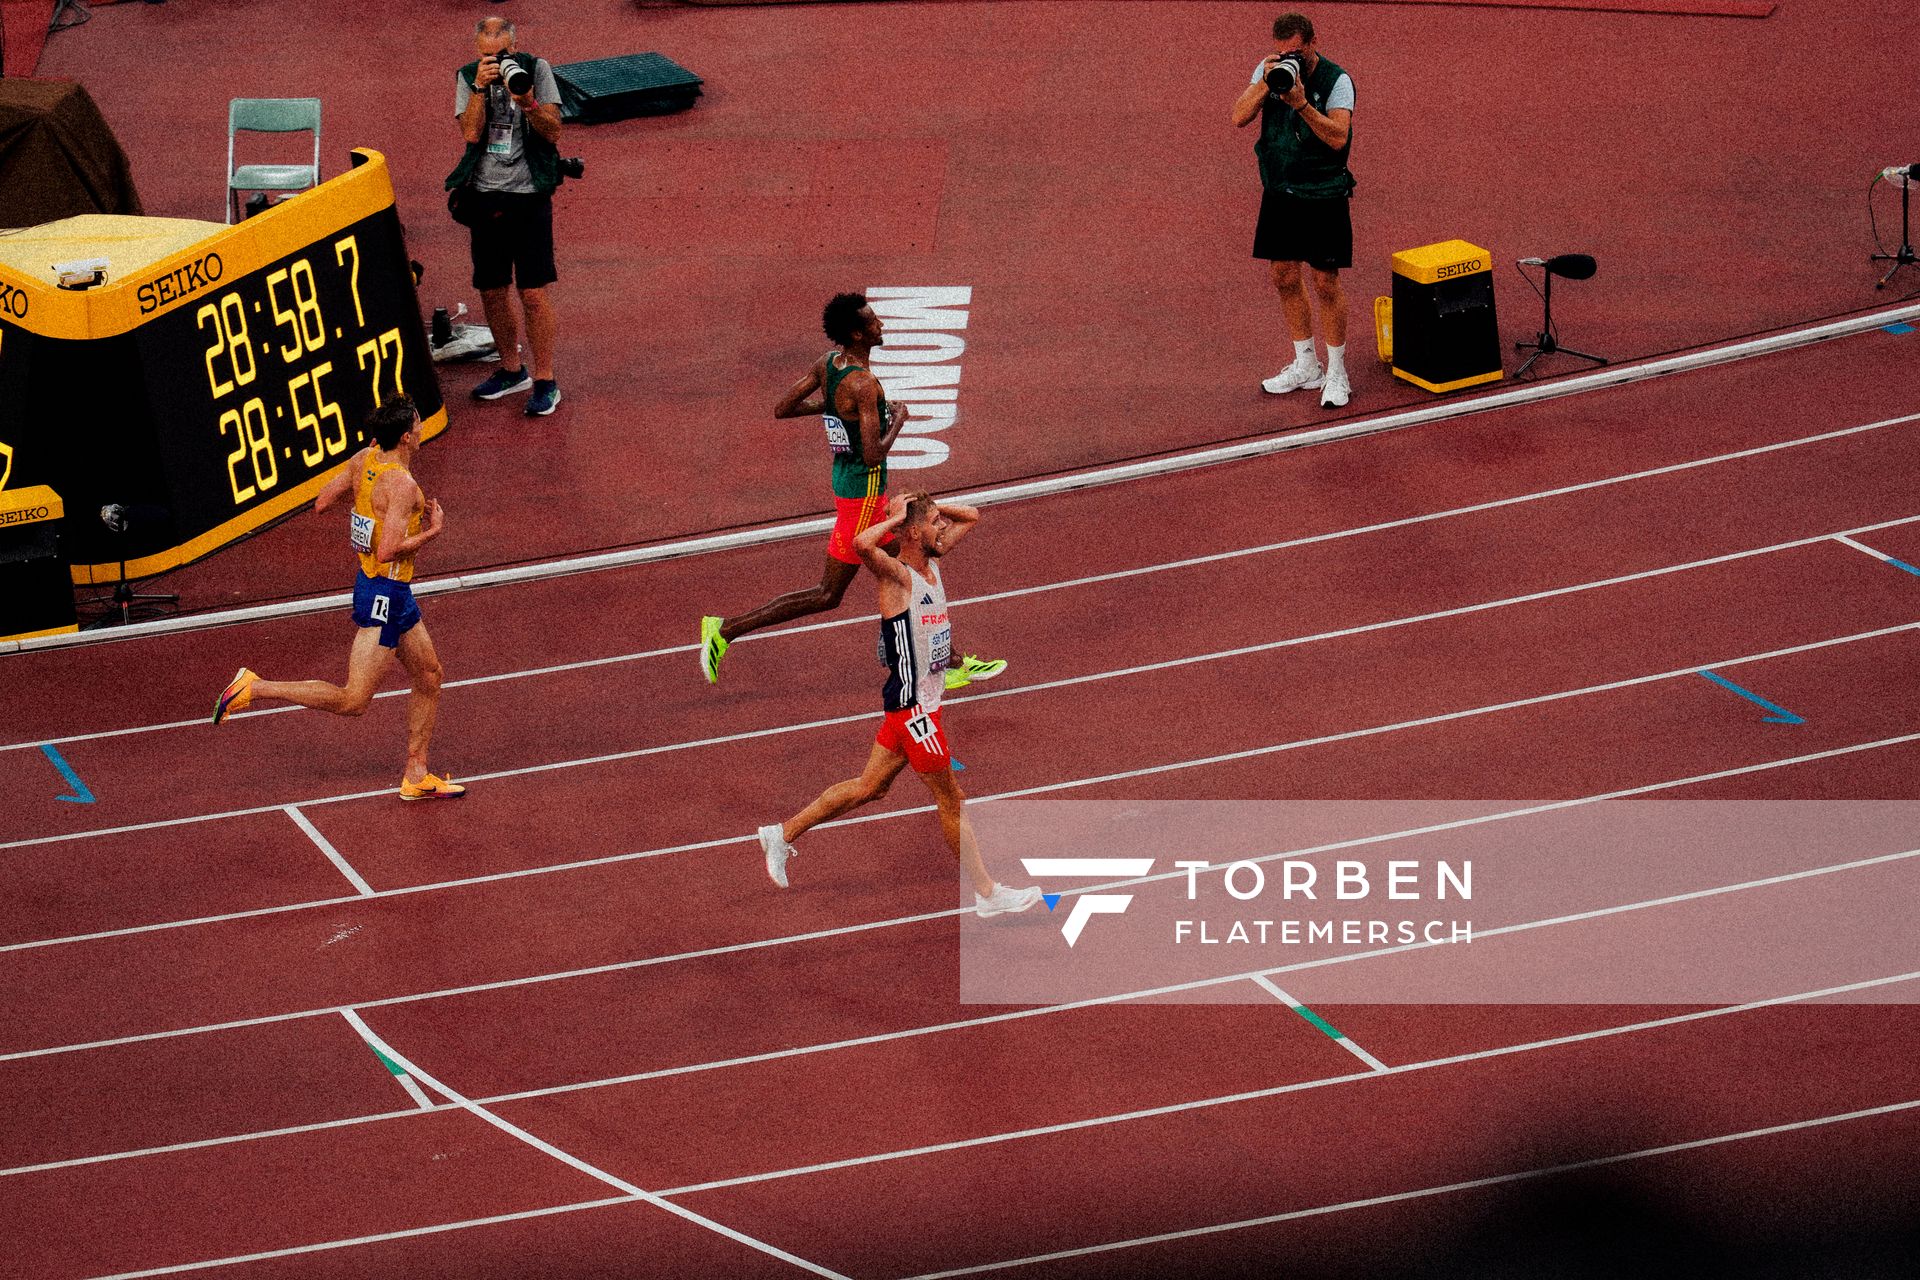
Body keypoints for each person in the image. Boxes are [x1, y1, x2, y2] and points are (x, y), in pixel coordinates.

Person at [699, 292, 1007, 692]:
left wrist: (832, 408)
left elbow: (785, 408)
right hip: (863, 498)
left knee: (913, 568)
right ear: (858, 333)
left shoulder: (829, 364)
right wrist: (897, 419)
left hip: (852, 488)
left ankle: (943, 660)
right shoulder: (864, 385)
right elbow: (875, 451)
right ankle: (726, 630)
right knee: (831, 593)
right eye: (874, 321)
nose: (882, 324)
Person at [758, 493, 1041, 918]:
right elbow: (862, 546)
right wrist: (894, 516)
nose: (944, 527)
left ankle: (781, 834)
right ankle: (987, 894)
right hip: (913, 710)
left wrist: (928, 508)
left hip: (920, 701)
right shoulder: (899, 578)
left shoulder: (933, 565)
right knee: (952, 800)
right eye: (934, 523)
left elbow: (973, 515)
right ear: (911, 533)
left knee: (871, 787)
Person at [212, 397, 465, 801]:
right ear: (405, 437)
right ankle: (255, 688)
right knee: (353, 700)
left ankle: (416, 773)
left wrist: (368, 505)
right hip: (384, 592)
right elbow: (387, 550)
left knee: (429, 675)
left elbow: (322, 502)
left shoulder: (364, 458)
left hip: (389, 590)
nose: (421, 430)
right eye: (418, 425)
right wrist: (432, 532)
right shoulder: (404, 486)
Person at [1231, 12, 1356, 409]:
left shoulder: (1338, 81)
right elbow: (1238, 117)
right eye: (1284, 53)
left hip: (1322, 192)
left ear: (1313, 43)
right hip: (1281, 188)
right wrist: (1267, 81)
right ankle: (1307, 364)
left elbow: (1338, 137)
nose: (1291, 60)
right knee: (1283, 274)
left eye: (1297, 53)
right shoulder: (1270, 70)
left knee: (1325, 281)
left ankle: (1337, 371)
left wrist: (1301, 104)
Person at [449, 16, 565, 417]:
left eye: (500, 54)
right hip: (485, 196)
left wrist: (528, 101)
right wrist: (481, 87)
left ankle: (546, 379)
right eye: (486, 54)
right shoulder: (468, 78)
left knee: (533, 293)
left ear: (513, 47)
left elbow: (553, 132)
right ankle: (511, 370)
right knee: (492, 289)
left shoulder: (537, 69)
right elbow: (469, 133)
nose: (495, 61)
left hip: (529, 196)